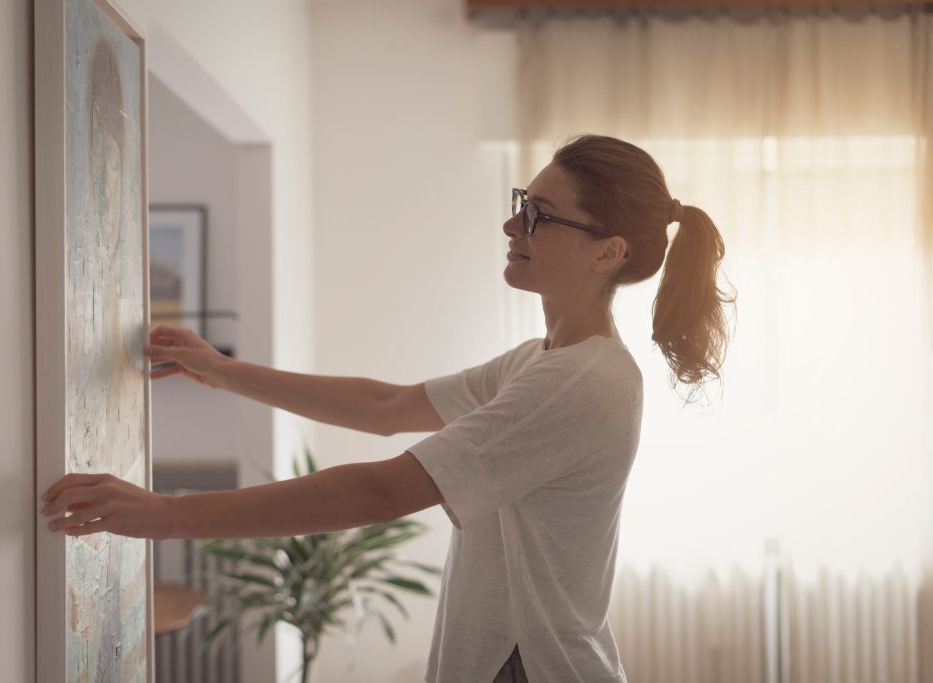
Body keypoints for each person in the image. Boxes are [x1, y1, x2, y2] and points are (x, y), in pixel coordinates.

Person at [41, 134, 735, 683]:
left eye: (537, 215)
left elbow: (382, 489)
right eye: (522, 200)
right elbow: (386, 405)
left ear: (606, 252)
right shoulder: (541, 361)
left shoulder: (583, 382)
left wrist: (165, 516)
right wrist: (222, 371)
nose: (509, 221)